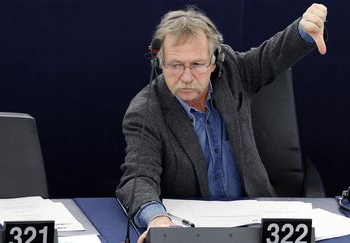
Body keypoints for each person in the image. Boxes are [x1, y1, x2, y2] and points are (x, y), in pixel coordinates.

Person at [116, 3, 327, 242]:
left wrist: (302, 30)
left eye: (197, 64)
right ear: (159, 62)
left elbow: (271, 56)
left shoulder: (233, 72)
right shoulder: (145, 111)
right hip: (191, 231)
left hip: (257, 223)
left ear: (214, 61)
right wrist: (158, 221)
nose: (186, 77)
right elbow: (138, 178)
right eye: (175, 65)